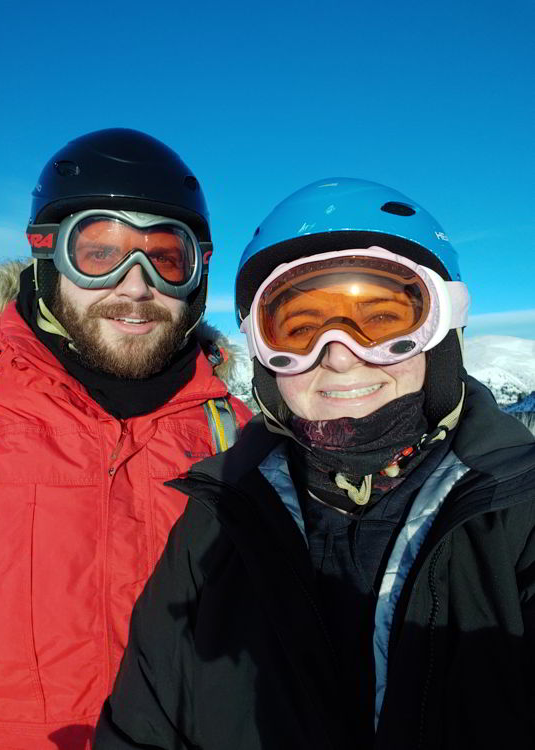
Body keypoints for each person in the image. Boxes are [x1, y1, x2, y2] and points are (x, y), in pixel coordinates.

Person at [94, 178, 535, 750]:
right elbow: (140, 729)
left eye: (382, 320)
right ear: (264, 355)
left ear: (441, 328)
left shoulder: (517, 516)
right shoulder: (215, 528)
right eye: (297, 330)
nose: (339, 356)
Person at [0, 128, 251, 750]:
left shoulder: (241, 441)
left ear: (197, 276)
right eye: (99, 252)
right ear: (48, 259)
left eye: (166, 257)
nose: (135, 285)